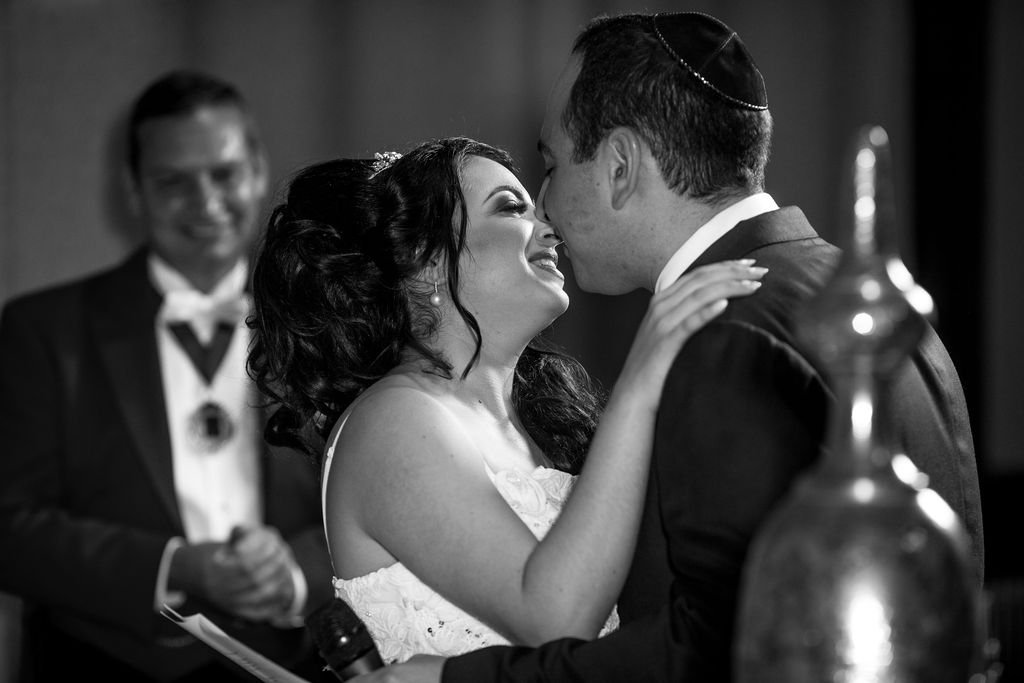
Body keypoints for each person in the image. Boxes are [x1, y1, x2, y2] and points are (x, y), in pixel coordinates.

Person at [355, 10, 985, 683]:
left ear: (621, 166)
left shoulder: (721, 336)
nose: (548, 205)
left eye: (552, 164)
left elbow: (710, 654)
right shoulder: (848, 290)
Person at [246, 139, 766, 664]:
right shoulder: (394, 420)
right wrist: (640, 382)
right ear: (424, 260)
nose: (550, 227)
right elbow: (553, 620)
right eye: (511, 207)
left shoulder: (540, 420)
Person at [0, 70, 334, 681]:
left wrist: (293, 570)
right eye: (173, 182)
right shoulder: (42, 331)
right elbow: (11, 527)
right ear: (132, 190)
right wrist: (172, 566)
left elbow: (374, 493)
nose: (206, 202)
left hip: (291, 664)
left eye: (224, 174)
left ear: (258, 171)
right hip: (100, 663)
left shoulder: (327, 323)